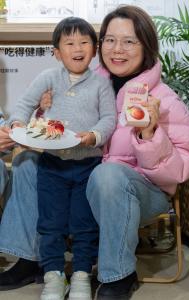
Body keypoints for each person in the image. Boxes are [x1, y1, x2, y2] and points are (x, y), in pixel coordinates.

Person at [0, 5, 189, 300]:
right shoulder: (83, 82)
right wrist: (42, 115)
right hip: (79, 178)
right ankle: (31, 258)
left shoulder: (162, 99)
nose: (117, 49)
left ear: (146, 46)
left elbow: (183, 167)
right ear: (100, 45)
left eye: (129, 41)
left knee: (107, 175)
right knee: (29, 161)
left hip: (136, 193)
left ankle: (118, 272)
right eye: (110, 39)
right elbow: (60, 128)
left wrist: (149, 134)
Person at [9, 16, 116, 300]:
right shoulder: (48, 78)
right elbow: (23, 105)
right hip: (52, 165)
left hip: (88, 166)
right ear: (57, 52)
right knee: (50, 223)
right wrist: (18, 123)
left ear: (94, 49)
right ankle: (53, 275)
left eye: (84, 42)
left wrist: (93, 135)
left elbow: (109, 119)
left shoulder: (101, 85)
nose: (77, 48)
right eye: (69, 43)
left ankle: (81, 274)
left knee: (84, 223)